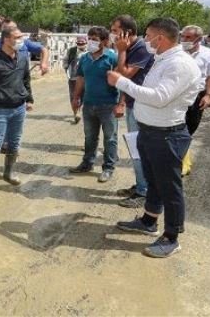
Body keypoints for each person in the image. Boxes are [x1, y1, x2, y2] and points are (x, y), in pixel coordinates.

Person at [107, 17, 201, 258]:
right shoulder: (162, 60)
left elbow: (160, 97)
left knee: (170, 188)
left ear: (160, 38)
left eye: (148, 36)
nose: (145, 40)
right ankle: (149, 221)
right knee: (154, 181)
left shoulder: (179, 64)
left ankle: (171, 237)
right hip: (149, 132)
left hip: (167, 135)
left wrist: (122, 83)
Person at [110, 15, 155, 207]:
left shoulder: (142, 48)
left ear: (127, 32)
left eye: (114, 30)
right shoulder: (130, 47)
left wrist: (120, 51)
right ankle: (140, 186)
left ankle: (144, 193)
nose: (112, 34)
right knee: (136, 148)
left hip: (141, 106)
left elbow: (125, 75)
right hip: (132, 104)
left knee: (139, 150)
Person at [0, 26, 34, 189]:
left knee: (15, 142)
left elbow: (26, 80)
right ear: (5, 39)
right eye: (17, 37)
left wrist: (29, 99)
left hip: (19, 108)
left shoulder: (23, 58)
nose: (21, 40)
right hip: (0, 109)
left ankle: (9, 172)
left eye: (21, 36)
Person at [69, 26, 119, 182]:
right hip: (89, 104)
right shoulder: (84, 58)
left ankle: (108, 168)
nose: (91, 42)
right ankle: (87, 163)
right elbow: (81, 79)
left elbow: (121, 81)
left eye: (95, 39)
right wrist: (76, 97)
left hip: (109, 105)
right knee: (90, 137)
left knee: (110, 138)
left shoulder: (113, 58)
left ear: (104, 41)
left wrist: (121, 103)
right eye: (89, 38)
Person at [180, 25, 210, 176]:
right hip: (177, 97)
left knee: (190, 129)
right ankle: (182, 163)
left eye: (188, 37)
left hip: (198, 97)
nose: (184, 40)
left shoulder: (209, 54)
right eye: (183, 36)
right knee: (179, 130)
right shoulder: (176, 52)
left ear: (199, 38)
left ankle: (184, 158)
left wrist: (208, 95)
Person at [63, 36, 87, 124]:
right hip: (73, 77)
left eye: (82, 43)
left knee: (85, 95)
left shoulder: (90, 51)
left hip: (86, 78)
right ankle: (75, 113)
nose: (80, 45)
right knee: (73, 96)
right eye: (78, 43)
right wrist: (66, 68)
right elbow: (65, 60)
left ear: (86, 43)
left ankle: (80, 110)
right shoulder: (72, 51)